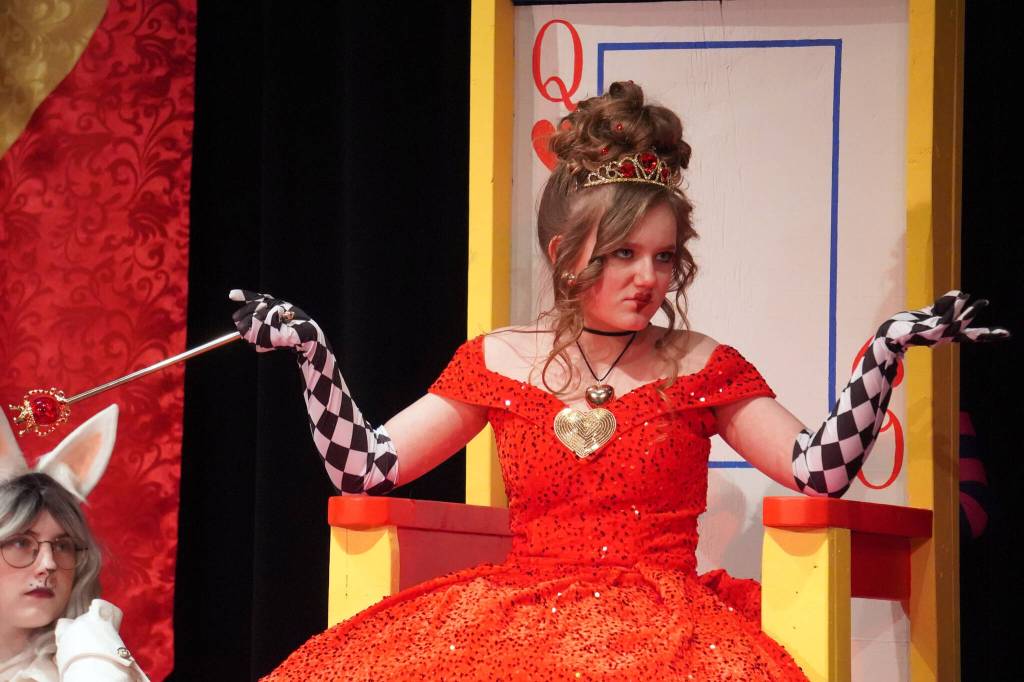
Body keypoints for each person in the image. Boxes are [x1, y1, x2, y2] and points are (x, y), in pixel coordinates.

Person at [232, 82, 1006, 680]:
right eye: (623, 255)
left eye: (664, 257)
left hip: (670, 627)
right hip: (518, 614)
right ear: (569, 253)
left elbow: (820, 470)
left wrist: (887, 349)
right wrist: (313, 354)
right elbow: (365, 467)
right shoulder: (499, 358)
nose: (648, 279)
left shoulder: (701, 363)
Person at [0, 406, 149, 682]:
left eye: (62, 545)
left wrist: (94, 657)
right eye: (21, 542)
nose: (48, 564)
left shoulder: (89, 663)